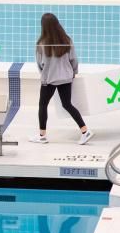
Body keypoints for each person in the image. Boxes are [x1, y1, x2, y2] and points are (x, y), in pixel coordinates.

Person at [29, 13, 93, 145]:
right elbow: (73, 59)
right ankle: (85, 130)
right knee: (67, 104)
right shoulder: (66, 40)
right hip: (66, 78)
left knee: (43, 105)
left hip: (49, 79)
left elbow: (40, 63)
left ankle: (42, 135)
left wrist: (44, 76)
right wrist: (73, 72)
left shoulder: (41, 44)